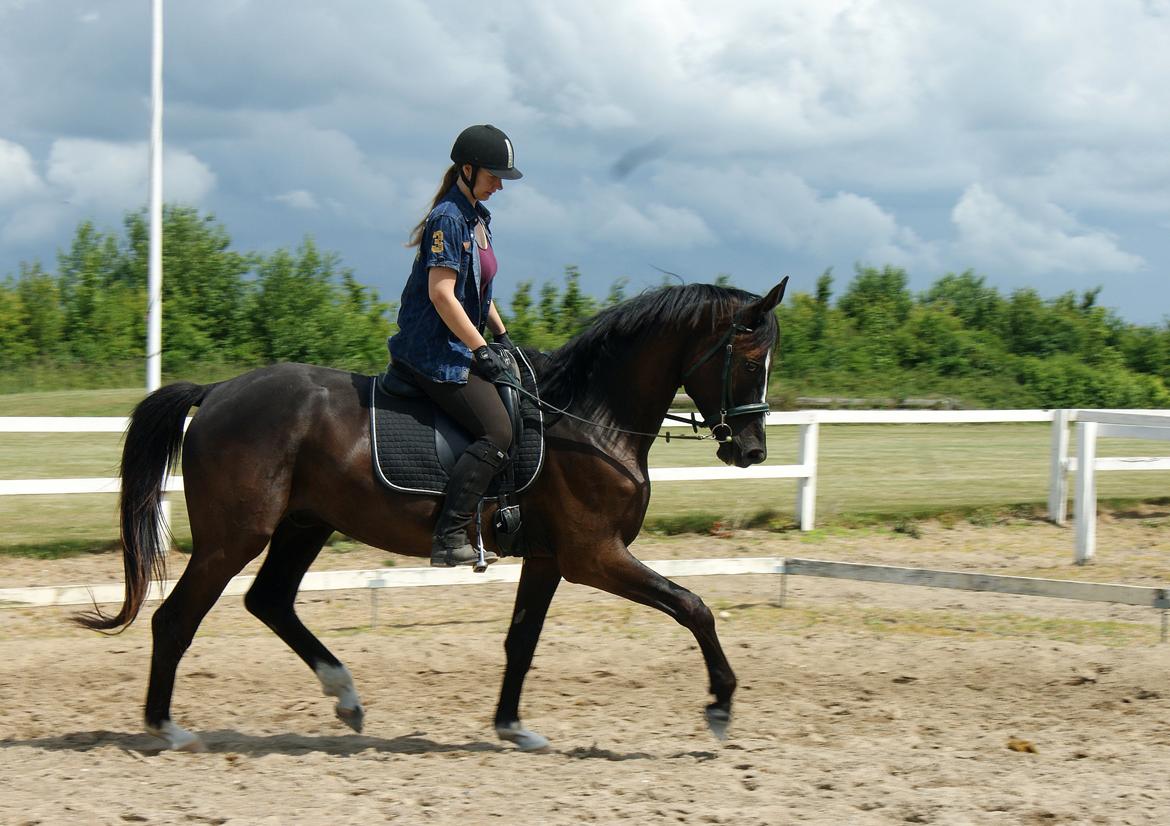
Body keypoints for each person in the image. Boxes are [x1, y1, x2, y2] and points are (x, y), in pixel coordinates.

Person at [388, 124, 522, 567]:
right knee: (497, 431)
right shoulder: (448, 217)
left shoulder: (478, 217)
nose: (500, 184)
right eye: (494, 175)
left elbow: (478, 291)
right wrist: (481, 349)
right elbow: (442, 294)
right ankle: (449, 535)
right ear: (467, 169)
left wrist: (502, 338)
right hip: (433, 353)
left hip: (462, 344)